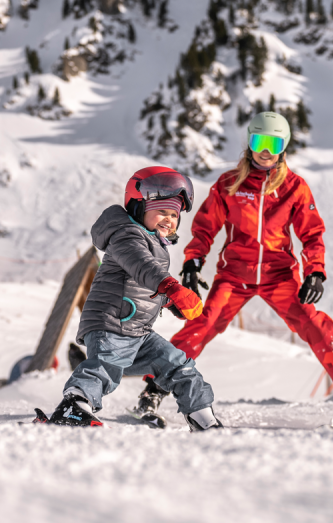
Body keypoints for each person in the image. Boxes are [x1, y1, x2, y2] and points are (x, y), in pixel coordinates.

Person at [132, 112, 333, 427]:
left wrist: (315, 271)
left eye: (273, 142)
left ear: (284, 146)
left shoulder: (294, 187)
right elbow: (205, 228)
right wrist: (193, 262)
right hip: (235, 276)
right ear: (249, 143)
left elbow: (312, 234)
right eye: (259, 141)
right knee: (202, 324)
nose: (266, 150)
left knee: (316, 325)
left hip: (280, 276)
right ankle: (152, 392)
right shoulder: (229, 184)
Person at [34, 166, 223, 431]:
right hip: (111, 323)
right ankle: (74, 405)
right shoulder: (126, 236)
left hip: (137, 331)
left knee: (178, 365)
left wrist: (170, 303)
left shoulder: (154, 243)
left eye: (174, 214)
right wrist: (171, 287)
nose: (168, 219)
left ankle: (204, 419)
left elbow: (141, 285)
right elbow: (141, 266)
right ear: (138, 207)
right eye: (161, 211)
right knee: (105, 367)